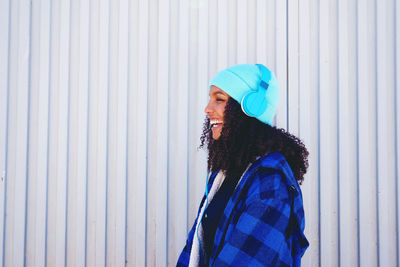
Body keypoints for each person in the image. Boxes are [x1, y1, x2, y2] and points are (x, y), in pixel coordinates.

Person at [177, 64, 309, 267]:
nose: (207, 108)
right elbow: (194, 248)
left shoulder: (269, 182)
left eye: (219, 99)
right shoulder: (223, 173)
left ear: (250, 107)